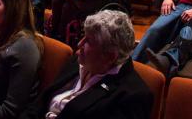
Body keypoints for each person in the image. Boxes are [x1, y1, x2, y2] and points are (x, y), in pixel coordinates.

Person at [21, 10, 153, 119]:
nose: (79, 44)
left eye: (89, 41)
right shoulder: (78, 61)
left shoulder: (133, 97)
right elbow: (40, 103)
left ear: (110, 56)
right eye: (83, 36)